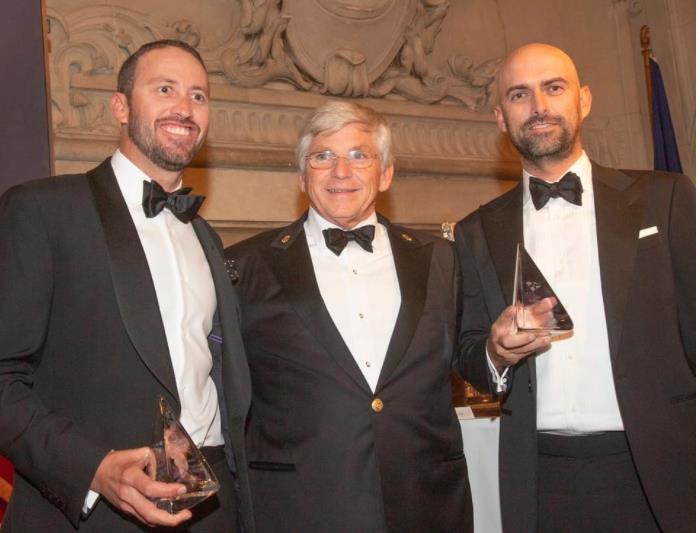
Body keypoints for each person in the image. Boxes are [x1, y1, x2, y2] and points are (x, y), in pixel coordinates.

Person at [0, 40, 254, 533]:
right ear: (120, 106)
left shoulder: (206, 236)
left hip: (211, 510)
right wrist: (94, 468)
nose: (184, 107)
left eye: (198, 96)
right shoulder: (43, 211)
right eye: (165, 89)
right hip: (93, 517)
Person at [455, 43, 695, 532]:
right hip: (540, 475)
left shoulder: (665, 200)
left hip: (662, 466)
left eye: (554, 87)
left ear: (583, 100)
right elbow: (467, 358)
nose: (539, 106)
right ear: (501, 118)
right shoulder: (476, 231)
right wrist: (497, 353)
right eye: (520, 94)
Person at [226, 101, 472, 533]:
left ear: (386, 173)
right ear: (302, 177)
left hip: (425, 504)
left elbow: (465, 360)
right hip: (297, 509)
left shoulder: (441, 259)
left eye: (359, 155)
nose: (341, 171)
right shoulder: (242, 266)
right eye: (323, 156)